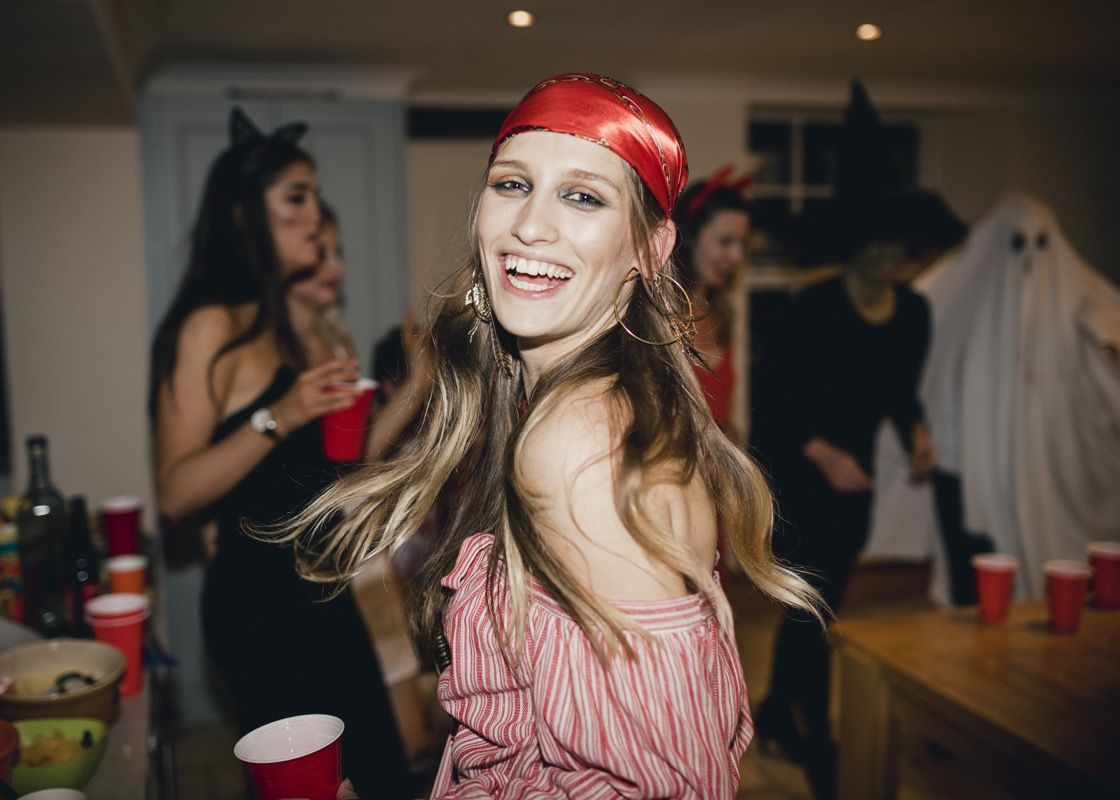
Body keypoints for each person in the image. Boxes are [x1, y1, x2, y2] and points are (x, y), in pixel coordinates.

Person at [280, 73, 820, 800]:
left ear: (652, 247)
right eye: (511, 184)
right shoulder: (569, 404)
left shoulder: (581, 443)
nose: (530, 225)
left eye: (584, 196)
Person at [148, 108, 411, 798]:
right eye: (296, 200)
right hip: (256, 604)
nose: (316, 219)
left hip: (324, 587)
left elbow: (339, 469)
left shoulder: (301, 336)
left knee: (376, 769)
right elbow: (175, 493)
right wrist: (279, 413)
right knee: (307, 786)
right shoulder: (210, 327)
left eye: (315, 200)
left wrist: (417, 391)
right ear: (242, 217)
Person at [750, 201, 936, 799]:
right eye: (878, 246)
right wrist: (820, 451)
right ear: (855, 246)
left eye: (899, 249)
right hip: (799, 471)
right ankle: (818, 741)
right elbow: (771, 402)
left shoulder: (913, 313)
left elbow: (901, 391)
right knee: (815, 606)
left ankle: (778, 709)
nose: (889, 260)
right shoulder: (815, 308)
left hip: (855, 479)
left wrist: (917, 431)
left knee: (819, 598)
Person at [872, 192, 1120, 605]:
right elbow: (907, 367)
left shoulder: (1077, 304)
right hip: (961, 460)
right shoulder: (951, 301)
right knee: (973, 566)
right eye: (1016, 245)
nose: (1025, 263)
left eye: (1039, 246)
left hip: (1040, 461)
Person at [673, 166, 752, 441]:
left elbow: (719, 412)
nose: (736, 256)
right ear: (691, 238)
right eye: (725, 241)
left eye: (742, 243)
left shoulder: (722, 314)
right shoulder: (659, 313)